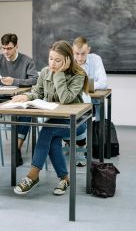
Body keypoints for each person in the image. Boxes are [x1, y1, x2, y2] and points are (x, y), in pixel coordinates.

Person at [12, 40, 89, 196]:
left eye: (58, 60)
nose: (52, 63)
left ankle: (32, 175)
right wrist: (25, 96)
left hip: (76, 122)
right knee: (51, 137)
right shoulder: (45, 72)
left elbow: (66, 99)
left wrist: (59, 74)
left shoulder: (78, 75)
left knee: (47, 130)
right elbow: (37, 93)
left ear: (68, 59)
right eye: (50, 58)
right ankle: (65, 179)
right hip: (55, 122)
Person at [0, 33, 38, 166]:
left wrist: (14, 81)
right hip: (2, 98)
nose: (6, 51)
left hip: (21, 98)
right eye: (3, 48)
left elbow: (35, 79)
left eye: (9, 48)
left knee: (26, 112)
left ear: (17, 46)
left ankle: (16, 149)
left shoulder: (27, 61)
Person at [72, 36, 108, 121]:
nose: (80, 58)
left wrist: (82, 85)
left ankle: (99, 129)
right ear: (72, 50)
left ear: (88, 50)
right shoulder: (68, 61)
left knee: (99, 102)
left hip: (92, 99)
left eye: (83, 53)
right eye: (77, 53)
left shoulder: (96, 59)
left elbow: (103, 83)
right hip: (73, 99)